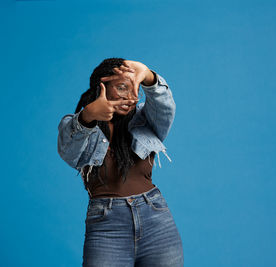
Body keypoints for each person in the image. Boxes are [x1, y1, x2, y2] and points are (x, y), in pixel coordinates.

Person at [57, 58, 183, 266]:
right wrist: (88, 116)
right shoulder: (77, 125)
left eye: (136, 89)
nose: (132, 97)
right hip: (107, 226)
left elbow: (166, 106)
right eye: (123, 87)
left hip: (156, 220)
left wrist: (148, 76)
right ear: (101, 88)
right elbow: (69, 153)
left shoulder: (145, 119)